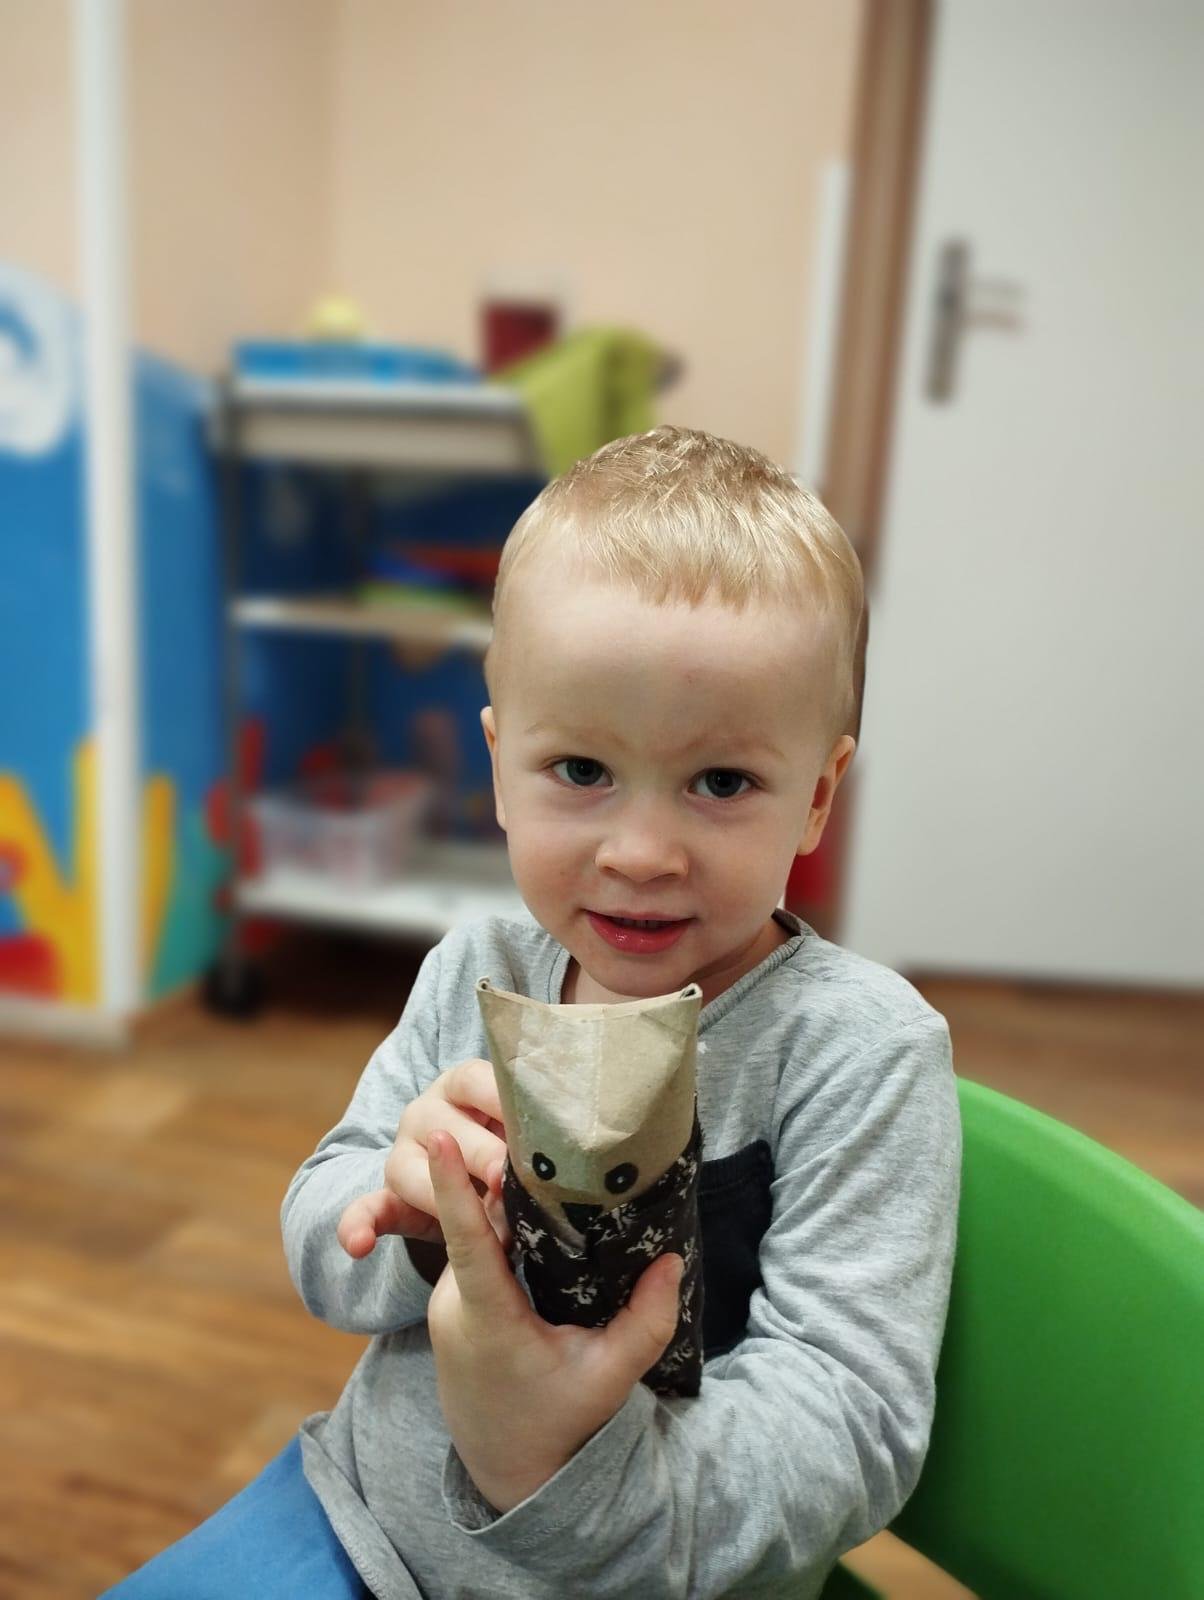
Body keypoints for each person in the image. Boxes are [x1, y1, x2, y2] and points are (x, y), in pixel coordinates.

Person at [106, 426, 960, 1600]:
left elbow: (848, 1431)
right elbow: (321, 1230)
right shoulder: (477, 967)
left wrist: (547, 1460)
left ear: (815, 797)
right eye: (581, 771)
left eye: (721, 782)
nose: (641, 852)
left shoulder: (856, 1049)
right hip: (360, 1525)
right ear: (500, 765)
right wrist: (404, 1213)